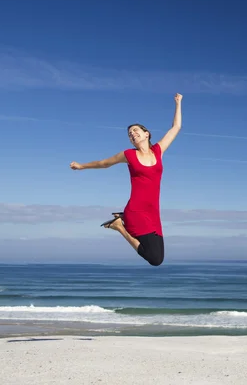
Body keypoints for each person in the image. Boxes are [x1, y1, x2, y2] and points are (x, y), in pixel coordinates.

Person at [69, 93, 182, 266]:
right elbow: (103, 163)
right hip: (137, 210)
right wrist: (82, 166)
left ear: (146, 134)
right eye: (130, 134)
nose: (132, 134)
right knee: (155, 259)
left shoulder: (158, 151)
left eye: (136, 130)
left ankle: (121, 220)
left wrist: (178, 103)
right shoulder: (129, 155)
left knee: (158, 255)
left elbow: (176, 127)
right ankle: (119, 226)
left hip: (153, 212)